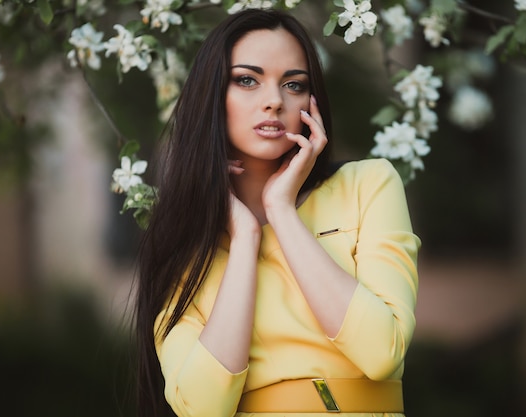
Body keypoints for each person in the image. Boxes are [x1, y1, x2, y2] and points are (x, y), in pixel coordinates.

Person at [135, 8, 420, 417]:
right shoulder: (184, 239)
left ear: (312, 102)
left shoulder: (368, 184)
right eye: (247, 80)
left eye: (294, 84)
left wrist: (281, 212)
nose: (274, 101)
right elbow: (203, 408)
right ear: (212, 96)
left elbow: (382, 352)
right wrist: (246, 237)